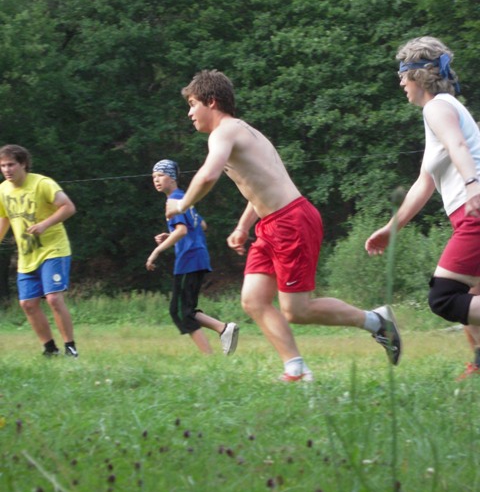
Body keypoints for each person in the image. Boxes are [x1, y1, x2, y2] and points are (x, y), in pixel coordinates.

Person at [165, 69, 401, 381]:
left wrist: (182, 204)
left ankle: (377, 322)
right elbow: (261, 186)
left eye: (193, 104)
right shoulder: (245, 131)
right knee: (253, 300)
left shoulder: (223, 132)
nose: (190, 112)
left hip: (291, 221)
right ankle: (296, 369)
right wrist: (243, 226)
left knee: (296, 310)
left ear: (211, 101)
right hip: (272, 224)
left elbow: (208, 175)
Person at [365, 36, 480, 380]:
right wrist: (392, 228)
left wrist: (472, 183)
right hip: (468, 213)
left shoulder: (437, 108)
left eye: (403, 74)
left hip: (474, 211)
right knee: (472, 295)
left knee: (444, 298)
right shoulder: (441, 111)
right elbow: (424, 183)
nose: (401, 82)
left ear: (420, 74)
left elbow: (458, 145)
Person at [146, 158, 239, 356]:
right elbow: (201, 225)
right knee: (184, 309)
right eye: (154, 176)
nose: (156, 180)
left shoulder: (173, 201)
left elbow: (182, 230)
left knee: (180, 311)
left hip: (188, 259)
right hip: (197, 256)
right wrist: (170, 235)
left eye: (161, 175)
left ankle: (212, 350)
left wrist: (157, 251)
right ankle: (223, 329)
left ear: (172, 178)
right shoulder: (183, 198)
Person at [0, 144, 78, 357]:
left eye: (11, 165)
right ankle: (50, 349)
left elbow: (68, 207)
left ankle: (70, 348)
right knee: (27, 304)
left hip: (53, 249)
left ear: (23, 164)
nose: (7, 170)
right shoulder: (3, 190)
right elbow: (4, 217)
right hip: (27, 255)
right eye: (3, 166)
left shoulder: (42, 183)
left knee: (53, 298)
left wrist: (45, 224)